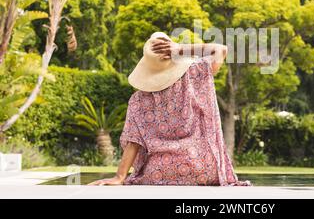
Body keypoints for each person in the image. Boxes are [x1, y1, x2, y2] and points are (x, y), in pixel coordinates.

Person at [88, 32, 251, 186]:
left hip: (159, 172)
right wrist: (181, 49)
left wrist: (119, 176)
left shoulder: (138, 100)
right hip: (202, 168)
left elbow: (133, 142)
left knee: (152, 170)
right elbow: (220, 50)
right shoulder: (195, 74)